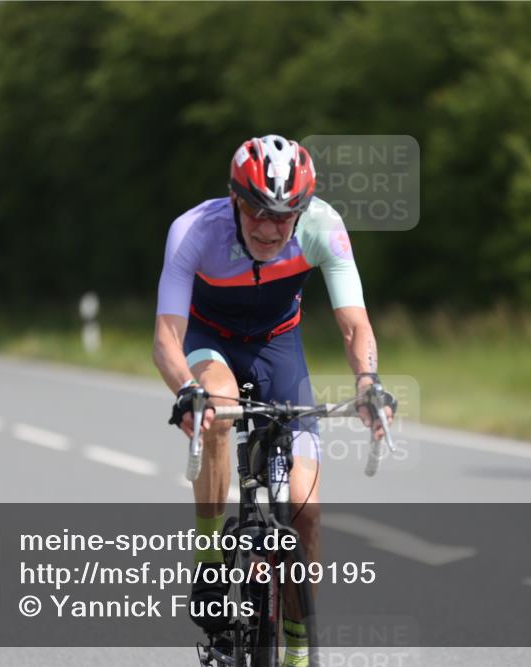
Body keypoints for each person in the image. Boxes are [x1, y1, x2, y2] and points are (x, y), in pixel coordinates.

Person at [153, 134, 394, 666]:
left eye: (283, 217)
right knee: (214, 407)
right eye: (258, 211)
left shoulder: (323, 227)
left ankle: (298, 651)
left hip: (278, 348)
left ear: (302, 211)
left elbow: (355, 326)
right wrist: (187, 393)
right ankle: (211, 551)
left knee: (305, 508)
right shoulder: (194, 230)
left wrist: (367, 382)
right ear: (235, 198)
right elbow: (166, 337)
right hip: (209, 341)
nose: (269, 227)